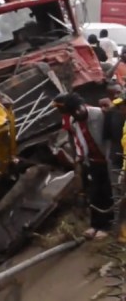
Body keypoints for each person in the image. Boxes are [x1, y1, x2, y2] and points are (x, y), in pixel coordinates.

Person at [53, 93, 114, 239]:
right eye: (74, 111)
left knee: (108, 192)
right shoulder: (74, 121)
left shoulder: (98, 114)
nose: (78, 112)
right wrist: (79, 159)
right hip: (92, 161)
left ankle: (107, 226)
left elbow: (111, 137)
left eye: (79, 108)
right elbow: (77, 141)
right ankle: (95, 225)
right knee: (95, 193)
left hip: (108, 159)